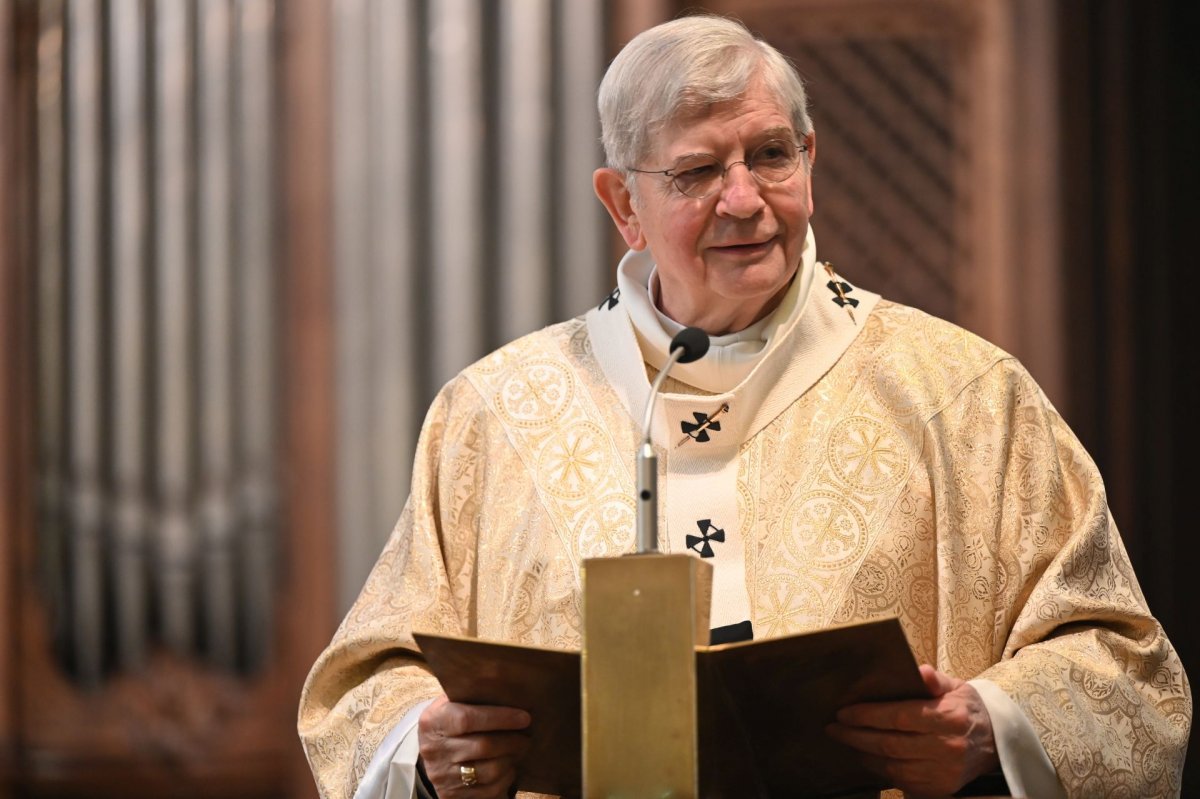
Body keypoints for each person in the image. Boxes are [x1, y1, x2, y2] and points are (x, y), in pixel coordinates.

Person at [298, 15, 1190, 799]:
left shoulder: (962, 397)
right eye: (695, 172)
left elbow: (1126, 670)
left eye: (770, 154)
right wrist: (426, 745)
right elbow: (365, 685)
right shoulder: (492, 417)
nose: (744, 200)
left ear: (811, 158)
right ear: (624, 205)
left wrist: (990, 726)